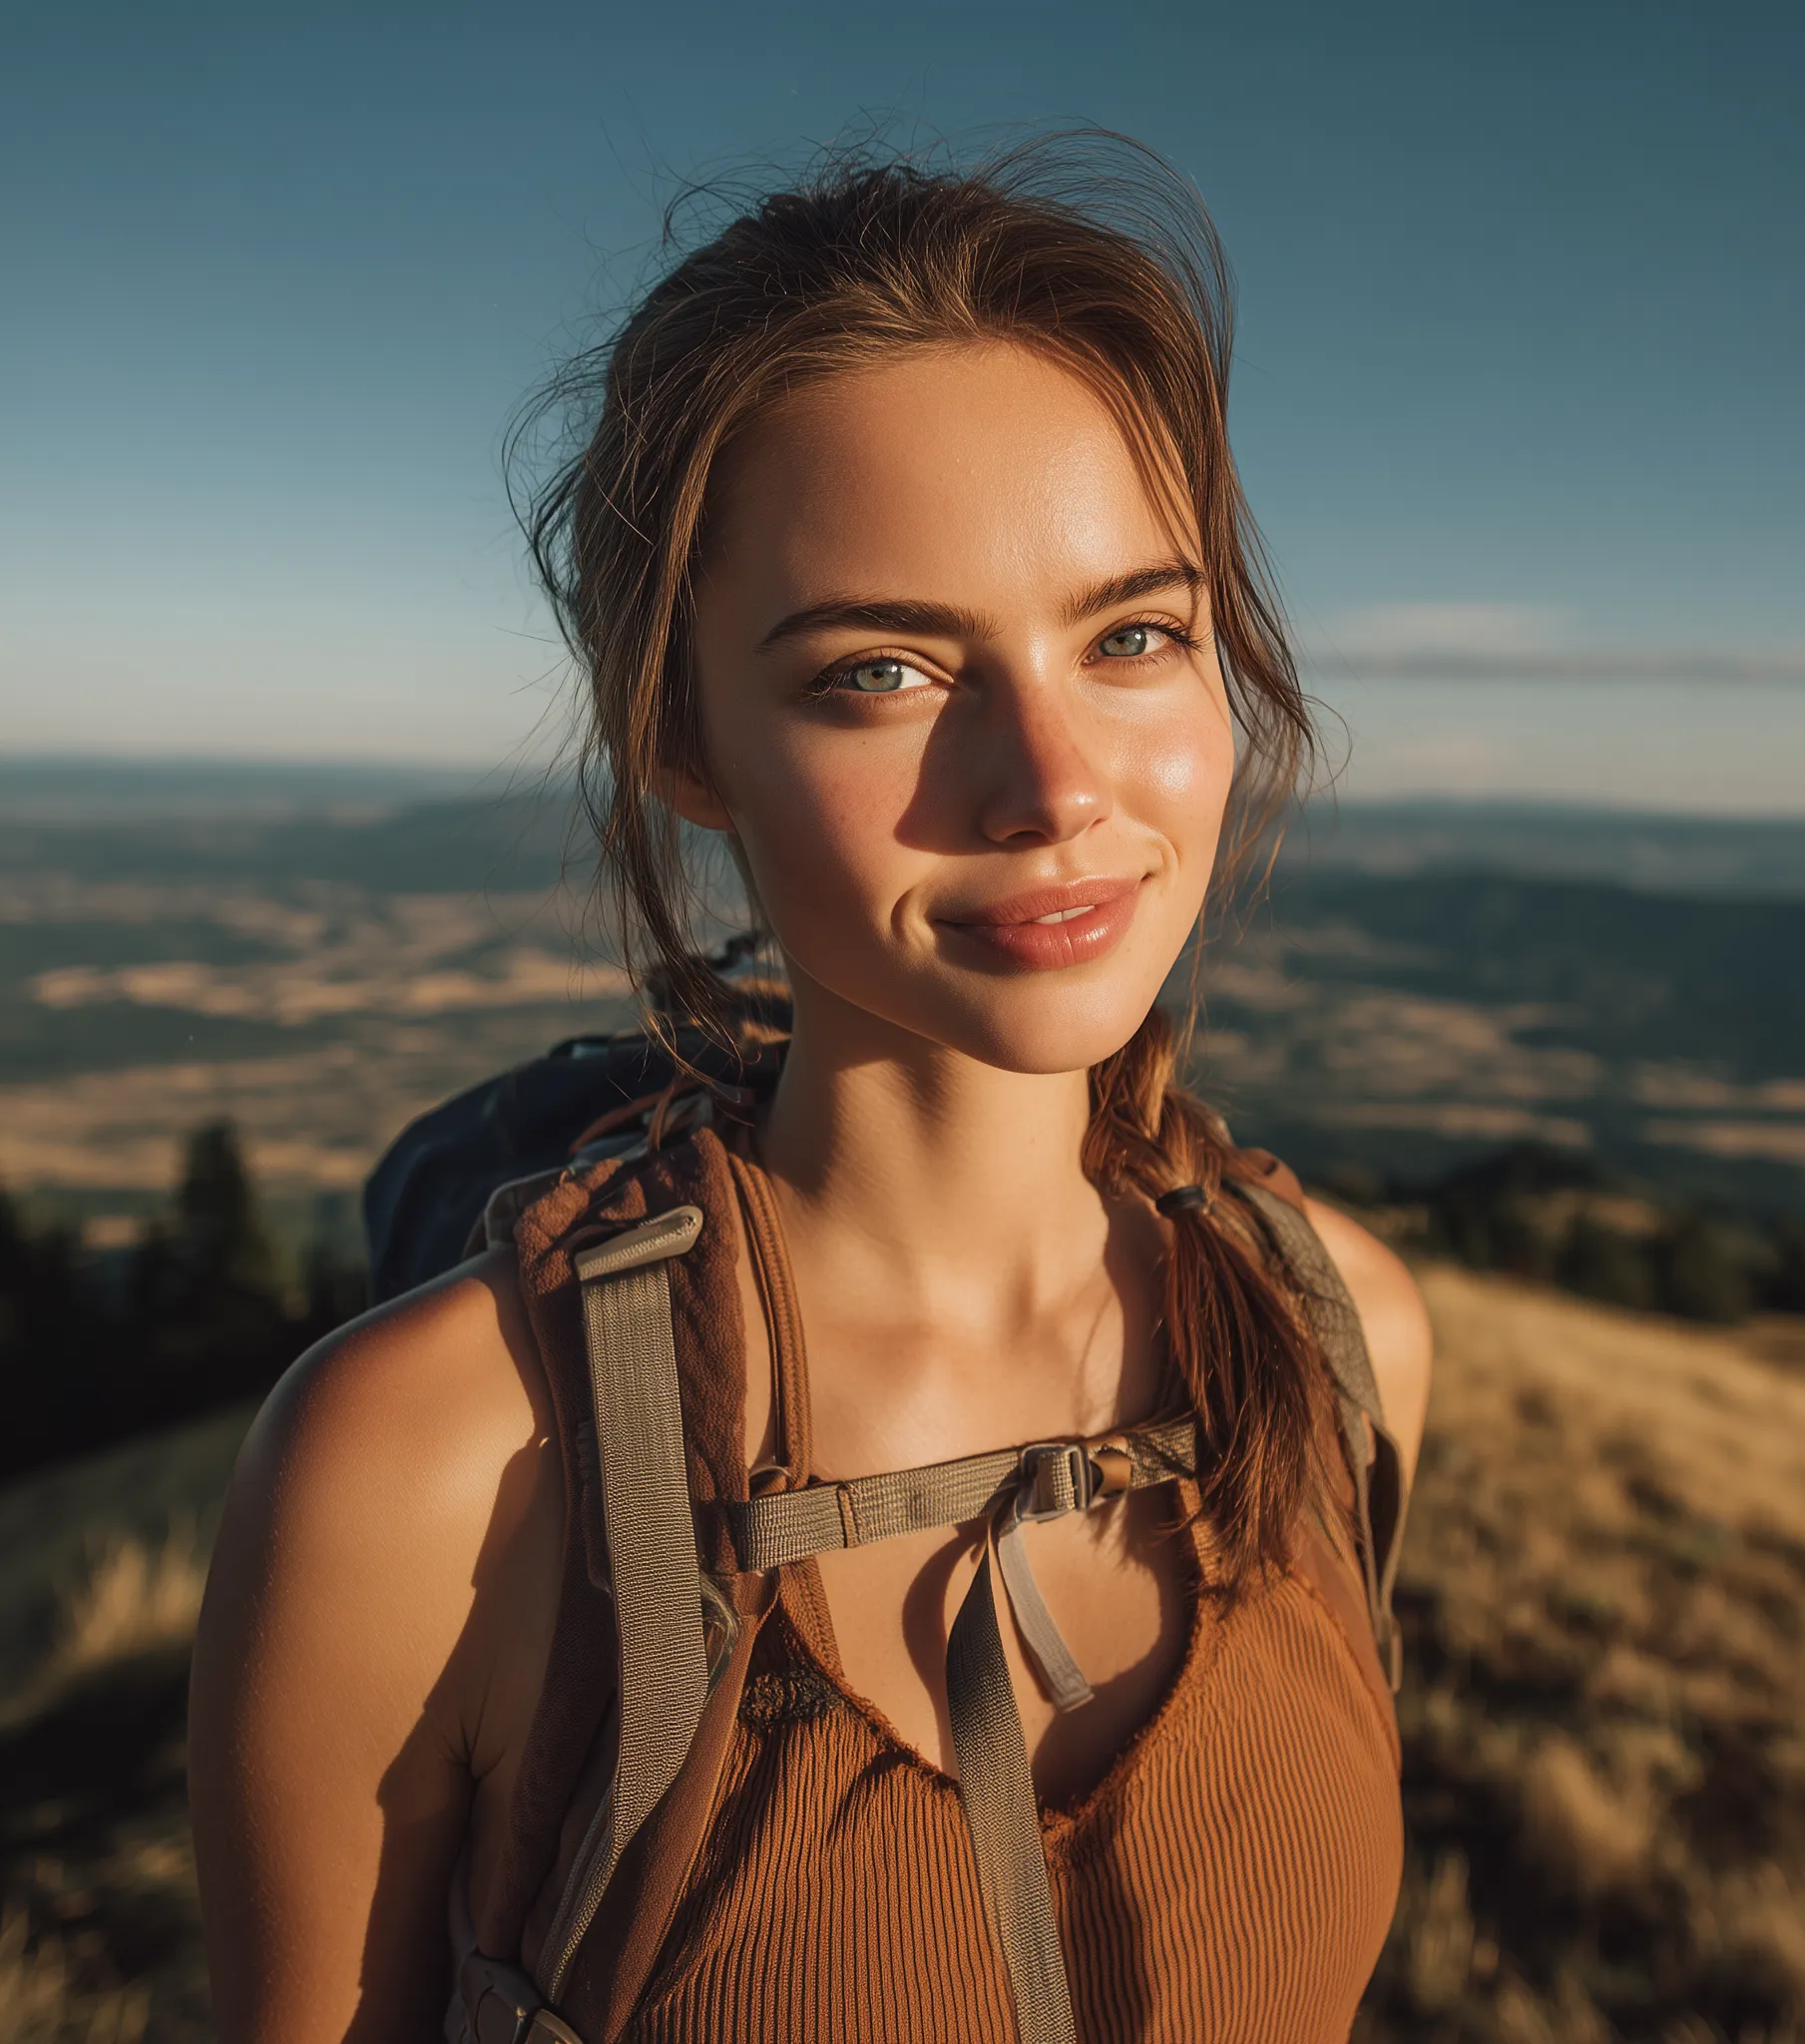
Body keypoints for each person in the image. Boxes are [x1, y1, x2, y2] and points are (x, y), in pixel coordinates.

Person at [188, 138, 1432, 2044]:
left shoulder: (1336, 1337)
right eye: (882, 672)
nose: (1050, 779)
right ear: (683, 740)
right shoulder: (428, 1473)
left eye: (1135, 634)